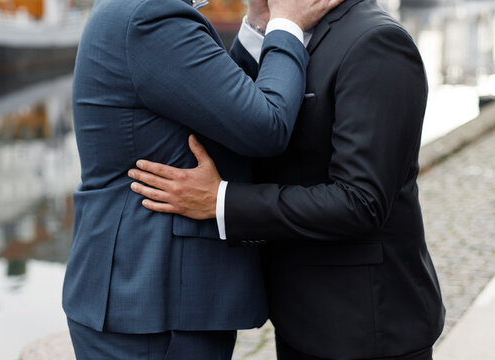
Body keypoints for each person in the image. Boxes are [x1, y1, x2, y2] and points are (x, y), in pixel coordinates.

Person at [127, 0, 446, 358]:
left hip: (365, 326)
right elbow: (247, 118)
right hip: (299, 316)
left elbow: (361, 202)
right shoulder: (289, 26)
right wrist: (259, 25)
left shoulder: (377, 42)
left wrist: (221, 201)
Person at [62, 0, 343, 358]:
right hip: (154, 302)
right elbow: (266, 126)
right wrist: (286, 25)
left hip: (138, 293)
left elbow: (219, 101)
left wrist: (257, 25)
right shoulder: (152, 16)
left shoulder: (134, 9)